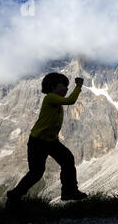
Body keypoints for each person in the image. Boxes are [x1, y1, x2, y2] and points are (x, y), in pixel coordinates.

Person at [6, 72, 87, 211]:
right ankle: (14, 195)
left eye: (68, 87)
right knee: (36, 173)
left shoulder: (56, 101)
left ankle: (69, 191)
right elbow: (71, 101)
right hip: (38, 141)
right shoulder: (50, 98)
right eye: (64, 86)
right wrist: (78, 86)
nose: (66, 89)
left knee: (67, 159)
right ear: (53, 87)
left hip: (50, 141)